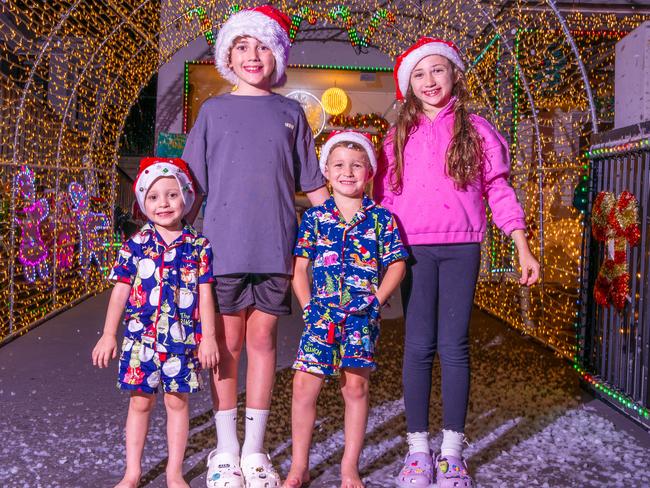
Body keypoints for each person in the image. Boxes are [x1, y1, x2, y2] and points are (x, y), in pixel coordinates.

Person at [373, 37, 541, 488]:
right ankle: (416, 451)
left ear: (454, 75)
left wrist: (521, 244)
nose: (430, 81)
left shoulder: (479, 130)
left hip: (463, 247)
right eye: (420, 74)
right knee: (418, 346)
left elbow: (499, 191)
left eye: (438, 71)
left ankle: (450, 451)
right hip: (413, 250)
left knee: (454, 346)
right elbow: (384, 200)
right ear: (409, 84)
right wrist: (377, 254)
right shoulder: (396, 137)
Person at [181, 5, 329, 487]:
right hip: (221, 250)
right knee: (227, 345)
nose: (253, 55)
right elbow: (189, 186)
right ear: (228, 55)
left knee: (264, 342)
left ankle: (254, 450)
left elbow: (315, 185)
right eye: (242, 46)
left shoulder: (291, 114)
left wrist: (344, 233)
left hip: (275, 250)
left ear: (278, 55)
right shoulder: (213, 111)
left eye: (263, 46)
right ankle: (224, 451)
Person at [284, 131, 408, 488]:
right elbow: (300, 267)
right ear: (326, 172)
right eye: (338, 165)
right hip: (320, 317)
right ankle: (299, 466)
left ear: (369, 172)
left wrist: (376, 300)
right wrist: (308, 306)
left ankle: (349, 466)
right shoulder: (314, 218)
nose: (347, 172)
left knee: (355, 388)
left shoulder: (381, 219)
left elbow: (397, 263)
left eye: (356, 165)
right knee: (304, 387)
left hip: (360, 319)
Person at [92, 157, 219, 488]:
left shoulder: (199, 247)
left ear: (186, 197)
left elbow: (206, 295)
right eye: (153, 197)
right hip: (139, 340)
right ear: (143, 203)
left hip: (181, 340)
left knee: (177, 403)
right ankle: (132, 471)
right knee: (140, 403)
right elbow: (120, 293)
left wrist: (209, 338)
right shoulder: (135, 245)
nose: (163, 203)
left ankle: (174, 472)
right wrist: (108, 334)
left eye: (172, 195)